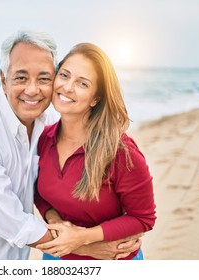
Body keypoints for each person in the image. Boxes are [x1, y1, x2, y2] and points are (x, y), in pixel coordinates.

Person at [0, 30, 143, 260]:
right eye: (21, 78)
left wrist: (78, 229)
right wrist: (87, 247)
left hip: (18, 256)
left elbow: (42, 189)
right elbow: (11, 221)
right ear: (4, 79)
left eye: (44, 79)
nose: (32, 90)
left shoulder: (50, 123)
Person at [35, 42, 156, 260]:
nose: (68, 87)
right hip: (57, 257)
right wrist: (55, 221)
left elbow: (143, 218)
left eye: (82, 83)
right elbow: (37, 190)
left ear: (96, 98)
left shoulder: (121, 152)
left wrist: (83, 238)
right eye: (64, 75)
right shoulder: (43, 139)